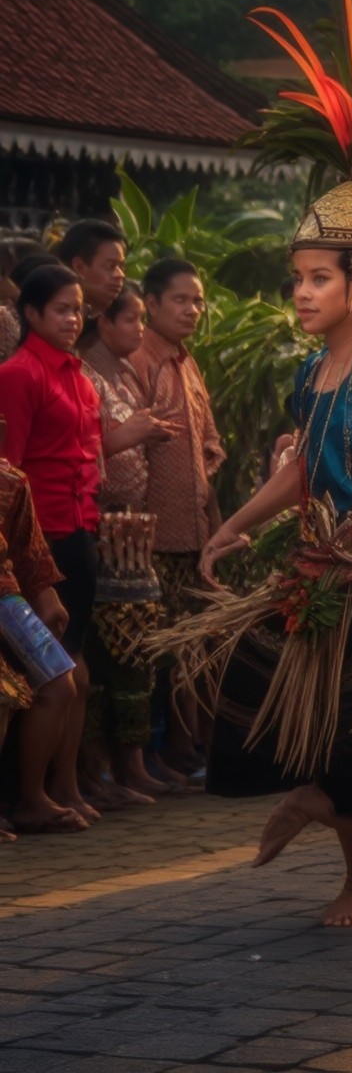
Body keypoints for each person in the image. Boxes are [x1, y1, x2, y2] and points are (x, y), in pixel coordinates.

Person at [168, 0, 352, 927]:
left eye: (318, 278)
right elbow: (297, 473)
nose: (300, 293)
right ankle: (328, 823)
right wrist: (230, 528)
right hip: (318, 561)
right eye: (297, 278)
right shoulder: (311, 375)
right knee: (290, 706)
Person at [0, 265, 103, 828]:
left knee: (74, 669)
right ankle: (29, 793)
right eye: (61, 308)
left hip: (76, 531)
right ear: (31, 315)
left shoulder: (79, 376)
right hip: (33, 544)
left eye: (78, 308)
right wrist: (24, 566)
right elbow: (7, 471)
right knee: (45, 674)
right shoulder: (20, 374)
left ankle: (64, 784)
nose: (73, 318)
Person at [82, 282, 177, 804]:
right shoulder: (84, 375)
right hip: (95, 525)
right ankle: (97, 769)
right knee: (104, 654)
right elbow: (82, 452)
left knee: (134, 651)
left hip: (129, 529)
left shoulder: (112, 373)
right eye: (132, 318)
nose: (139, 329)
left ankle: (133, 764)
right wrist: (129, 435)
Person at [130, 255, 224, 776]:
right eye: (181, 300)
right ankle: (156, 750)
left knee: (193, 641)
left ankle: (188, 746)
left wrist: (217, 528)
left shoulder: (188, 363)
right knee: (155, 647)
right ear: (151, 304)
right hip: (152, 533)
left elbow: (210, 448)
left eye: (198, 300)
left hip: (193, 531)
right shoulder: (139, 360)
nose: (193, 309)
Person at [0, 433, 75, 835]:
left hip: (6, 596)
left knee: (61, 684)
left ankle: (32, 799)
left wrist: (48, 601)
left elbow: (29, 555)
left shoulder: (10, 482)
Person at [55, 218, 128, 341]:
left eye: (121, 267)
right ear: (79, 267)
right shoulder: (56, 327)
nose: (120, 275)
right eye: (110, 266)